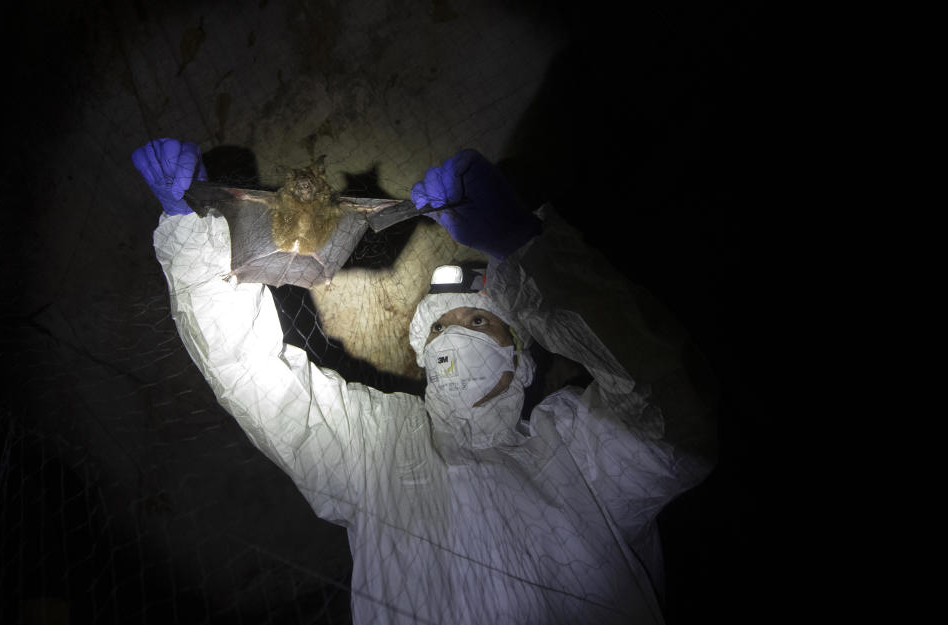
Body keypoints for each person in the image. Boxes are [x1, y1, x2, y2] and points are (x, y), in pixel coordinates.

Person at [133, 138, 717, 625]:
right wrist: (198, 235)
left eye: (478, 318)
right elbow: (252, 372)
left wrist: (531, 253)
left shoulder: (577, 446)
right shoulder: (376, 442)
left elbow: (676, 412)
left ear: (520, 354)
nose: (452, 335)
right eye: (437, 328)